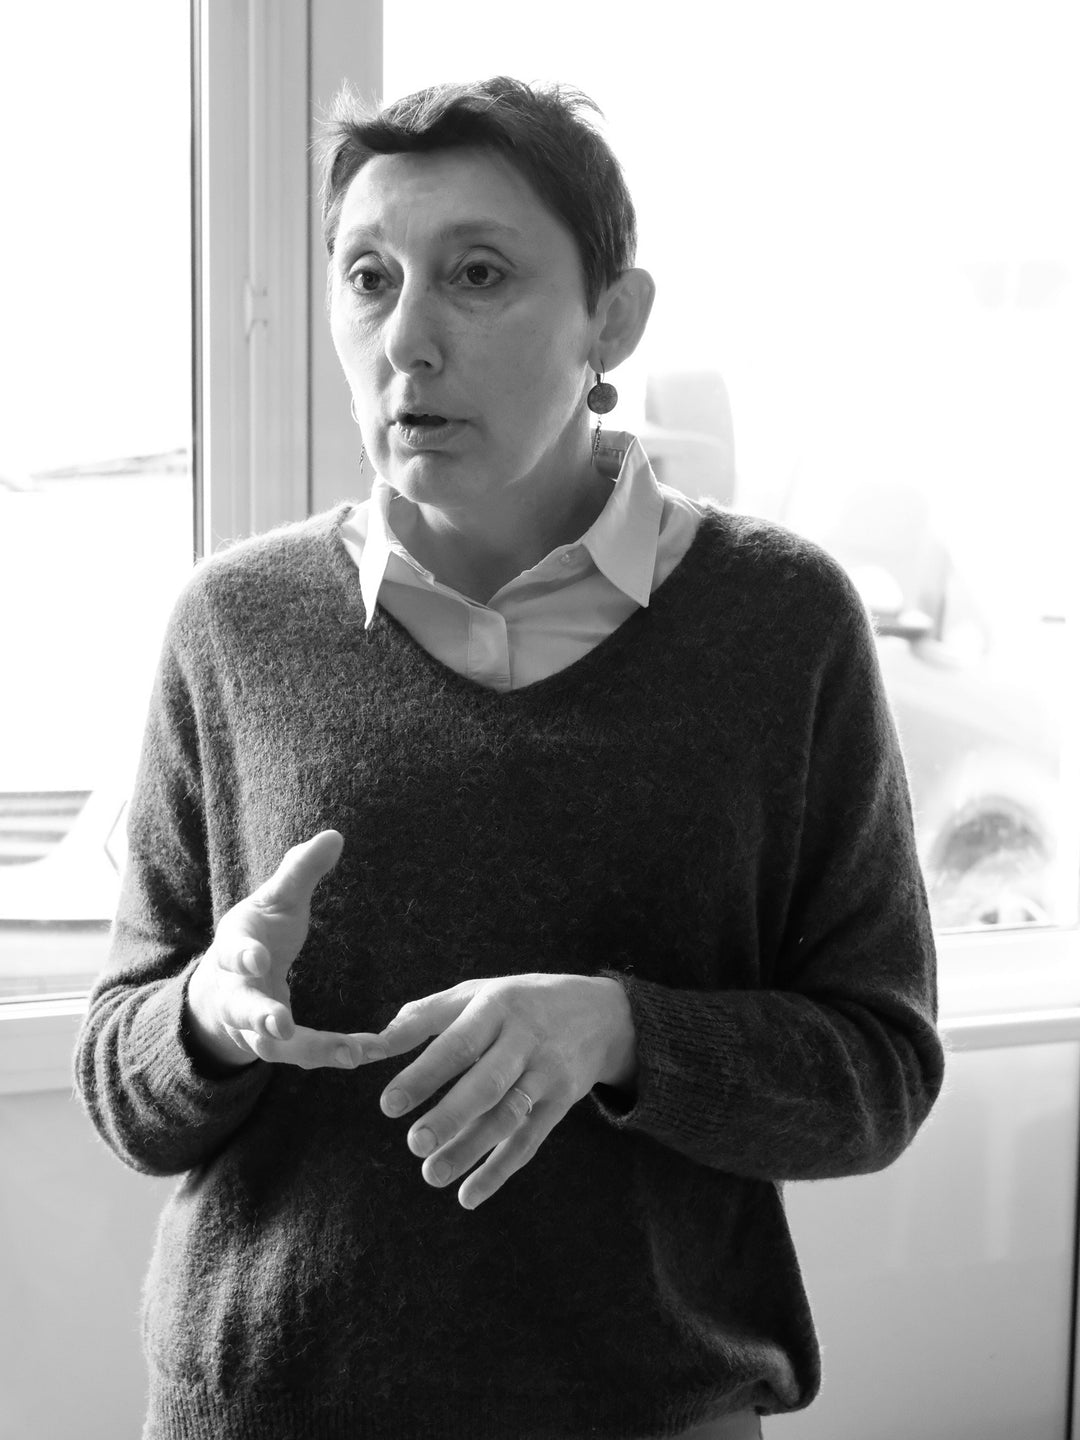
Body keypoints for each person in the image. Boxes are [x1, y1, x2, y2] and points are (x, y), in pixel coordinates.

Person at [73, 75, 944, 1440]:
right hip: (269, 1406)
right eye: (369, 278)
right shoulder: (234, 625)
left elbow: (878, 1074)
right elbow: (125, 1086)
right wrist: (204, 1014)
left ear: (615, 319)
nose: (407, 338)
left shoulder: (783, 625)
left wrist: (620, 1031)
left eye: (477, 275)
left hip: (650, 1410)